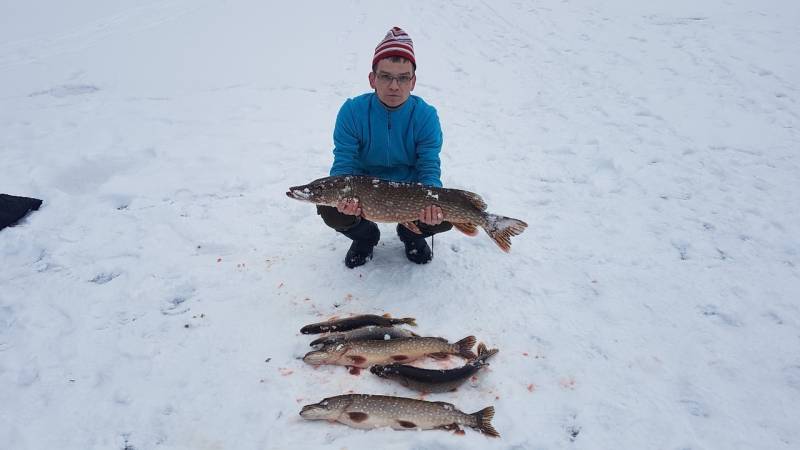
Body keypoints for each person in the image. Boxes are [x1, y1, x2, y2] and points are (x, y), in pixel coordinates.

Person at [317, 26, 452, 268]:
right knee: (330, 208)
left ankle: (412, 235)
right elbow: (345, 161)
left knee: (444, 215)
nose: (394, 86)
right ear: (372, 79)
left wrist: (431, 203)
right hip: (364, 188)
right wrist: (344, 197)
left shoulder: (426, 116)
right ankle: (365, 238)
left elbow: (429, 165)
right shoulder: (352, 112)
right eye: (386, 76)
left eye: (402, 78)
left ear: (413, 82)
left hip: (410, 190)